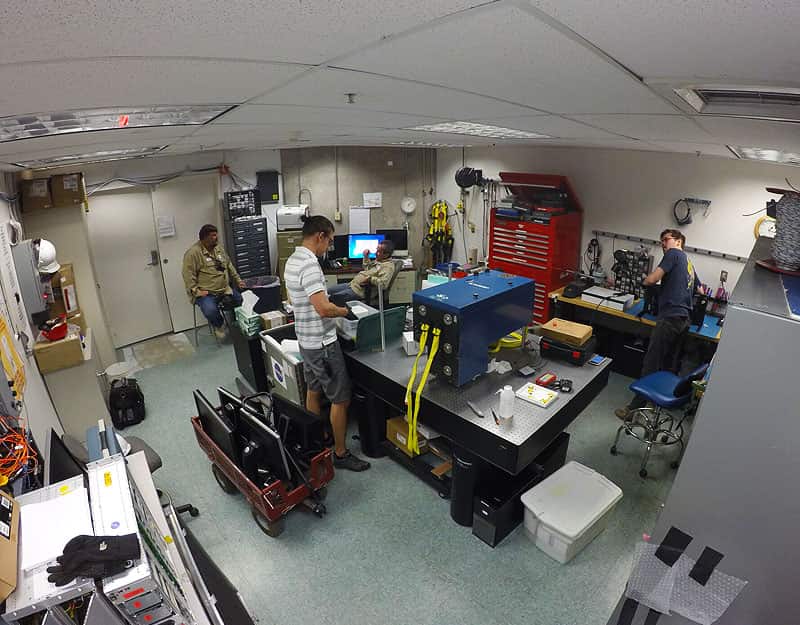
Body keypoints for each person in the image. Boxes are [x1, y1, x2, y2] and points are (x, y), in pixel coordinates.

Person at [283, 215, 370, 471]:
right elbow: (323, 309)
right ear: (319, 236)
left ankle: (318, 439)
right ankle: (341, 454)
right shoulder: (309, 265)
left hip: (306, 341)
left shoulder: (293, 259)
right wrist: (346, 311)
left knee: (313, 390)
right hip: (322, 344)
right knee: (340, 398)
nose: (329, 246)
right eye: (329, 240)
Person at [615, 228, 700, 419]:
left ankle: (633, 409)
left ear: (678, 241)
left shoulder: (674, 254)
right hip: (684, 320)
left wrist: (645, 281)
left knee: (651, 363)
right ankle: (657, 406)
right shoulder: (689, 263)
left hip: (670, 318)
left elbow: (653, 279)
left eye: (666, 240)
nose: (663, 244)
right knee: (669, 365)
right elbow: (700, 290)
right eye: (661, 241)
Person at [182, 224, 245, 340]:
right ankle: (219, 325)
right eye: (213, 236)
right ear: (204, 238)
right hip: (206, 293)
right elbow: (188, 275)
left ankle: (233, 324)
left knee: (239, 299)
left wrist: (238, 280)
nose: (216, 238)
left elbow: (229, 264)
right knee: (210, 311)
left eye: (216, 235)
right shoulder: (193, 253)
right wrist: (196, 292)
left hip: (224, 289)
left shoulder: (218, 248)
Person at [327, 240, 397, 306]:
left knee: (332, 299)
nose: (376, 253)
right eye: (376, 250)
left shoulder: (387, 267)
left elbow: (383, 284)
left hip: (360, 292)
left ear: (386, 254)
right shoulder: (380, 260)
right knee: (328, 291)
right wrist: (366, 256)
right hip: (352, 285)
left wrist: (370, 279)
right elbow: (367, 268)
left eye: (378, 251)